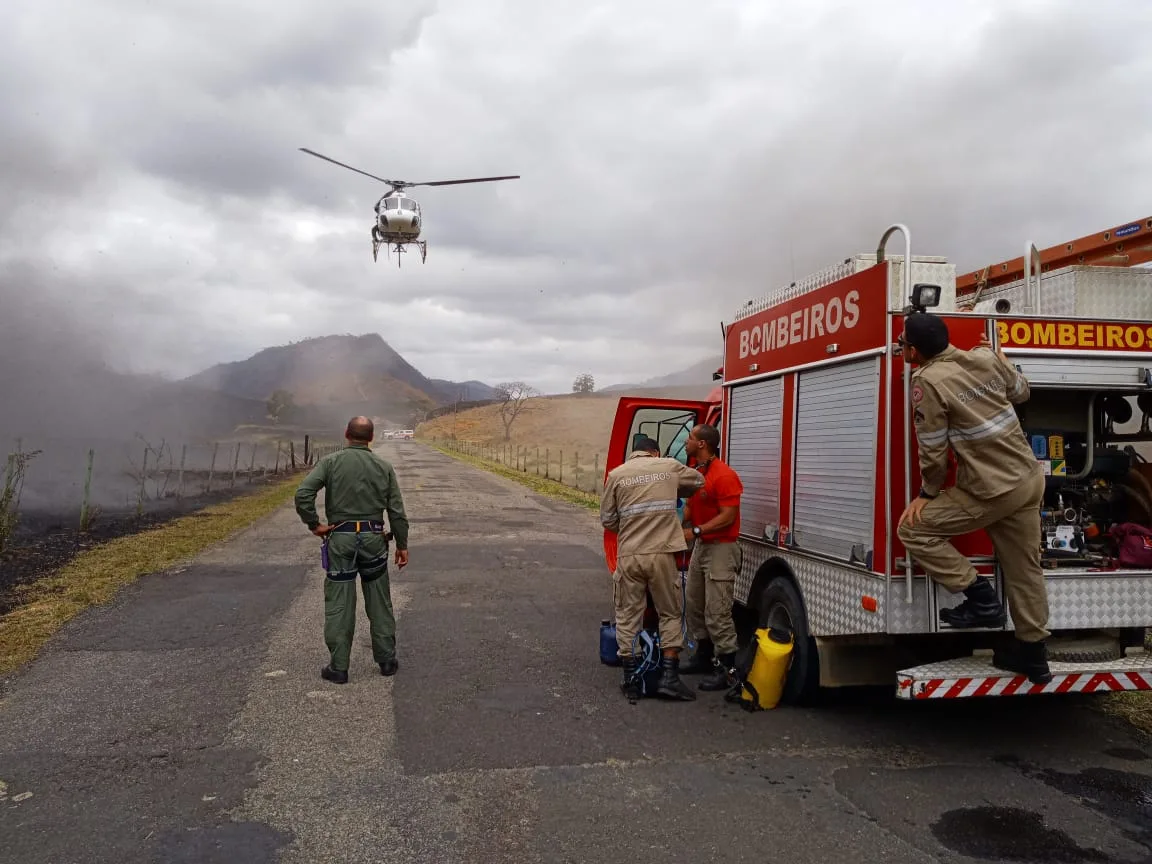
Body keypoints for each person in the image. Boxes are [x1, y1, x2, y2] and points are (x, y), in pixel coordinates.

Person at [895, 312, 1052, 684]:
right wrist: (1003, 364)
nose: (902, 348)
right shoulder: (983, 358)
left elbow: (932, 448)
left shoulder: (927, 380)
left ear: (914, 351)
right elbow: (1022, 392)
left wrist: (926, 494)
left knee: (913, 530)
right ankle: (1033, 654)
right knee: (1024, 568)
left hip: (991, 488)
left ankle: (981, 599)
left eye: (903, 344)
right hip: (1029, 480)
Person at [295, 416, 410, 684]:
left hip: (341, 539)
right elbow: (396, 512)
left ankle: (339, 667)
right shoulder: (383, 467)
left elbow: (303, 494)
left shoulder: (330, 462)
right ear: (371, 438)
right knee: (379, 600)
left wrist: (315, 525)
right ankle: (386, 661)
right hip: (373, 539)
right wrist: (402, 546)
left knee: (340, 601)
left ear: (347, 434)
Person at [600, 435, 705, 701]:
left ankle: (631, 679)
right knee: (669, 613)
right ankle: (669, 679)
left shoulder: (617, 474)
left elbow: (608, 519)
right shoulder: (668, 466)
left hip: (630, 554)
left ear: (635, 453)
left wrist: (631, 529)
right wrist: (673, 490)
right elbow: (698, 481)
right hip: (662, 554)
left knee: (627, 613)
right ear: (654, 452)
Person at [678, 423, 745, 691]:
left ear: (702, 444)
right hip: (702, 546)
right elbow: (691, 509)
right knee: (695, 605)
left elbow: (728, 517)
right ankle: (703, 658)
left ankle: (728, 670)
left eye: (690, 438)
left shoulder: (724, 475)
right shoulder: (696, 474)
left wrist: (695, 531)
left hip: (721, 547)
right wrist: (676, 527)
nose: (686, 441)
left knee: (717, 611)